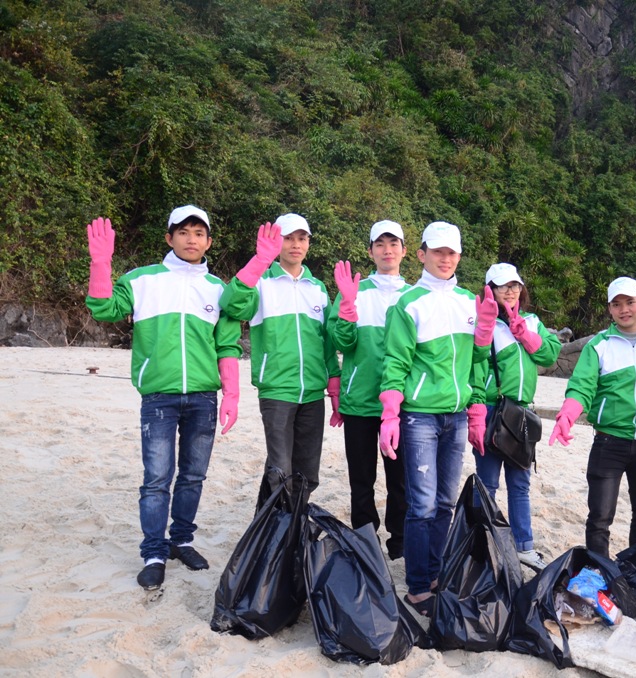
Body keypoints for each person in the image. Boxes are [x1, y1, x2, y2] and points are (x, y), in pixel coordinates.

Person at [85, 205, 242, 590]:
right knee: (157, 479)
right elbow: (105, 309)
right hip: (158, 397)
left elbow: (227, 344)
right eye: (184, 232)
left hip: (204, 396)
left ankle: (182, 540)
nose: (192, 239)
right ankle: (154, 551)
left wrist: (232, 394)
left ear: (209, 241)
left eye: (200, 233)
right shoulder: (142, 280)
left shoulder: (218, 288)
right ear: (169, 237)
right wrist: (101, 265)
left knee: (193, 476)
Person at [378, 221, 496, 616]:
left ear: (460, 256)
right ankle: (417, 587)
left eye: (452, 252)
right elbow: (395, 361)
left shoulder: (470, 302)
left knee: (446, 502)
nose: (445, 259)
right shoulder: (408, 303)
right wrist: (391, 414)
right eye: (438, 251)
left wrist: (477, 410)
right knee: (422, 505)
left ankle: (434, 574)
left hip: (457, 417)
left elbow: (478, 363)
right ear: (423, 253)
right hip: (420, 418)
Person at [549, 277, 636, 559]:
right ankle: (600, 572)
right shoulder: (599, 345)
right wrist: (567, 415)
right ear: (609, 309)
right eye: (617, 304)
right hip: (608, 444)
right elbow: (582, 386)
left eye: (630, 302)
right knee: (599, 516)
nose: (624, 309)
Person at [219, 214, 340, 502]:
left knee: (307, 473)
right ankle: (275, 537)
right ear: (277, 242)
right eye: (288, 238)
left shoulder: (318, 289)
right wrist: (259, 262)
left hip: (312, 391)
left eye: (302, 238)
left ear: (308, 243)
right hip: (276, 390)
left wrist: (333, 386)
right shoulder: (261, 283)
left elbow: (327, 343)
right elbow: (232, 305)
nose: (295, 245)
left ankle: (291, 530)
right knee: (279, 470)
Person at [328, 220, 410, 560]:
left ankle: (400, 541)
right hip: (360, 400)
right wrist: (347, 307)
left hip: (404, 404)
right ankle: (364, 539)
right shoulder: (355, 290)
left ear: (405, 251)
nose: (387, 250)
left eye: (394, 244)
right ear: (371, 251)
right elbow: (340, 340)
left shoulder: (415, 295)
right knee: (361, 479)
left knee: (400, 481)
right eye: (380, 244)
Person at [471, 263, 561, 572]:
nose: (510, 291)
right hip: (494, 411)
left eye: (515, 285)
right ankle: (484, 543)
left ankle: (524, 546)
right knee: (487, 483)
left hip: (523, 413)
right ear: (490, 291)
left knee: (520, 484)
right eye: (502, 286)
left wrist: (524, 333)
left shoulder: (533, 321)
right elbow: (476, 368)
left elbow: (550, 355)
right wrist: (477, 411)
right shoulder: (485, 325)